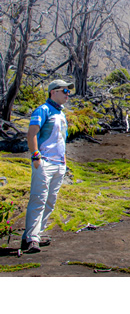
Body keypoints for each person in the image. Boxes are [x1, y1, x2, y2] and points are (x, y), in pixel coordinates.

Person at [21, 80, 74, 254]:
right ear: (53, 92)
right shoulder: (43, 110)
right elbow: (32, 134)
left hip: (59, 164)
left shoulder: (61, 114)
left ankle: (34, 234)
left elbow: (61, 139)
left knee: (50, 201)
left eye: (68, 91)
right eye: (65, 91)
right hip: (44, 162)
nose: (67, 94)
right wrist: (36, 156)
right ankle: (32, 239)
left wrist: (64, 161)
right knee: (39, 199)